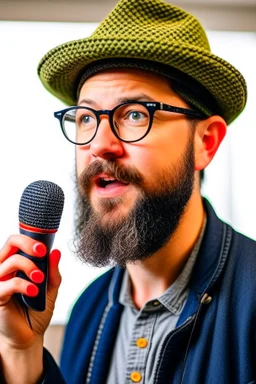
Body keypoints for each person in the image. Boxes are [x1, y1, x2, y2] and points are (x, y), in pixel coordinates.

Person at [0, 0, 255, 383]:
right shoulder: (90, 308)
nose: (99, 145)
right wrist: (22, 352)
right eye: (85, 118)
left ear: (206, 142)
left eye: (135, 114)